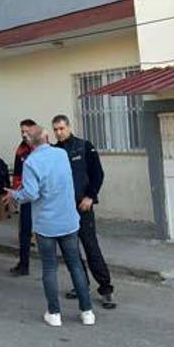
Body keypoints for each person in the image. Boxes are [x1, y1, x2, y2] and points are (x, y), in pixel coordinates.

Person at [3, 125, 95, 326]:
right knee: (76, 266)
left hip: (46, 224)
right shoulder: (61, 154)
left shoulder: (31, 162)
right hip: (69, 220)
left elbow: (31, 194)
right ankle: (87, 311)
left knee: (50, 268)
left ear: (29, 142)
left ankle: (54, 314)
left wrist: (14, 194)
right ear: (46, 137)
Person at [52, 114, 116, 309]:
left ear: (69, 127)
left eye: (62, 128)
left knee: (91, 247)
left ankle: (106, 289)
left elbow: (98, 174)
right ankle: (81, 285)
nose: (59, 132)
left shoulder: (84, 146)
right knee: (71, 251)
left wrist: (90, 196)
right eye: (55, 129)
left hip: (82, 206)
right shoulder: (54, 152)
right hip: (64, 209)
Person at [9, 119, 36, 276]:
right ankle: (23, 264)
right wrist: (16, 194)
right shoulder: (21, 150)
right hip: (26, 196)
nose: (24, 134)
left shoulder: (42, 148)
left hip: (43, 198)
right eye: (22, 132)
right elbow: (18, 174)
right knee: (24, 232)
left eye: (27, 131)